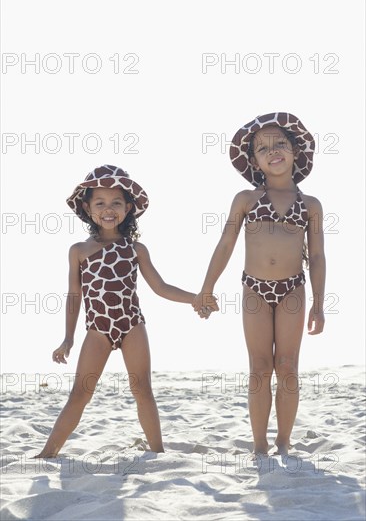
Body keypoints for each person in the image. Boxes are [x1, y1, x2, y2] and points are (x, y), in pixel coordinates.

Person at [35, 164, 214, 458]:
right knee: (81, 393)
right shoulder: (78, 250)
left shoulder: (136, 249)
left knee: (142, 389)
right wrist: (67, 339)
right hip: (98, 329)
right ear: (87, 208)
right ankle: (48, 453)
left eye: (116, 203)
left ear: (128, 208)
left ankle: (157, 452)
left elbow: (160, 286)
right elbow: (74, 295)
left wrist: (196, 298)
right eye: (100, 203)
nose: (108, 209)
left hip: (132, 325)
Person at [193, 112, 326, 457]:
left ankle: (283, 439)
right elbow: (225, 244)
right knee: (259, 368)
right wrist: (207, 287)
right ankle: (259, 443)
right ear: (254, 161)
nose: (273, 151)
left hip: (293, 289)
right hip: (254, 288)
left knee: (287, 366)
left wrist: (319, 303)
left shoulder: (310, 205)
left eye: (280, 143)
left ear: (296, 151)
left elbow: (318, 256)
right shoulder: (246, 199)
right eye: (263, 148)